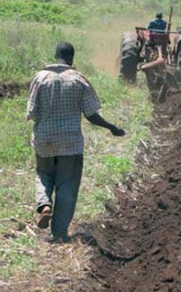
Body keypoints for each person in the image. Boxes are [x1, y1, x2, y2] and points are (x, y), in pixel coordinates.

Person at [27, 42, 125, 243]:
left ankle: (44, 204)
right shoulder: (79, 80)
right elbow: (91, 115)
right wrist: (111, 127)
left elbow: (32, 113)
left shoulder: (40, 78)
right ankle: (60, 233)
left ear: (56, 56)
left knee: (43, 174)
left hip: (44, 140)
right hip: (70, 143)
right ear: (71, 58)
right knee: (67, 185)